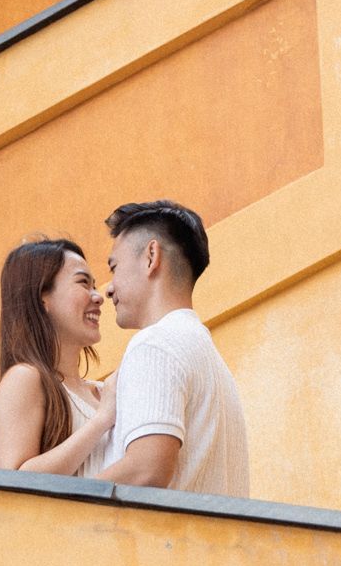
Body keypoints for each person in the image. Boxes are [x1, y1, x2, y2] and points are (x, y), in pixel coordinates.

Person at [102, 200, 249, 497]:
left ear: (151, 256)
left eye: (114, 267)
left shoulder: (155, 344)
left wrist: (62, 499)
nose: (108, 288)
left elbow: (148, 468)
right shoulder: (209, 358)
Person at [0, 236, 116, 476]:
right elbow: (12, 483)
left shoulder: (103, 392)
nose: (98, 296)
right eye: (83, 283)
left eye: (94, 285)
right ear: (42, 298)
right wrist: (102, 420)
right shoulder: (24, 378)